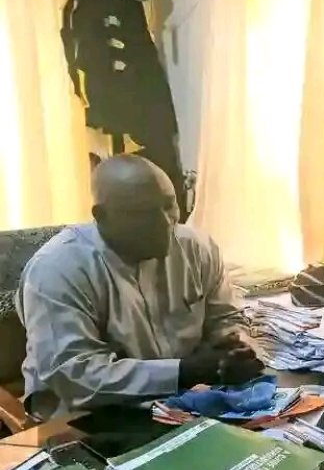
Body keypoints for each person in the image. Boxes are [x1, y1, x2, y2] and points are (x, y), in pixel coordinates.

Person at [16, 155, 263, 420]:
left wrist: (236, 347)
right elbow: (73, 377)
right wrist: (184, 371)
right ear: (101, 216)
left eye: (169, 205)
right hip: (84, 418)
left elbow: (227, 318)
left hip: (183, 403)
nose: (164, 223)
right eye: (141, 213)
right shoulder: (58, 269)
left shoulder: (197, 248)